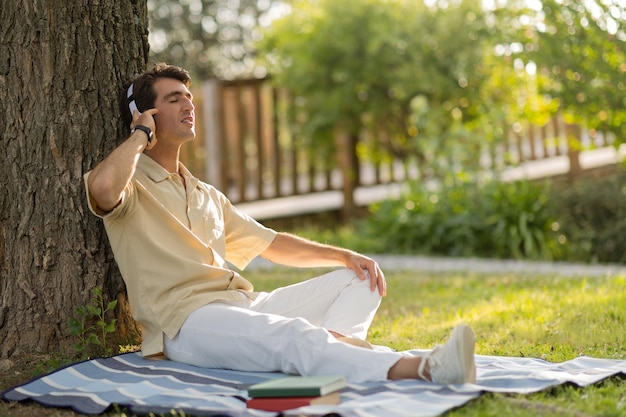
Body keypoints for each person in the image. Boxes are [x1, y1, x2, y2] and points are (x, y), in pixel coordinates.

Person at [84, 63, 476, 384]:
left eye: (189, 97)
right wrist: (139, 135)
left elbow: (271, 244)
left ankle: (341, 355)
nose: (189, 105)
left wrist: (345, 255)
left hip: (244, 304)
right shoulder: (129, 182)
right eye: (174, 99)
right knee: (293, 337)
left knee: (360, 277)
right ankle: (425, 369)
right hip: (186, 323)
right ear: (147, 114)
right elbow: (102, 189)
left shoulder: (204, 192)